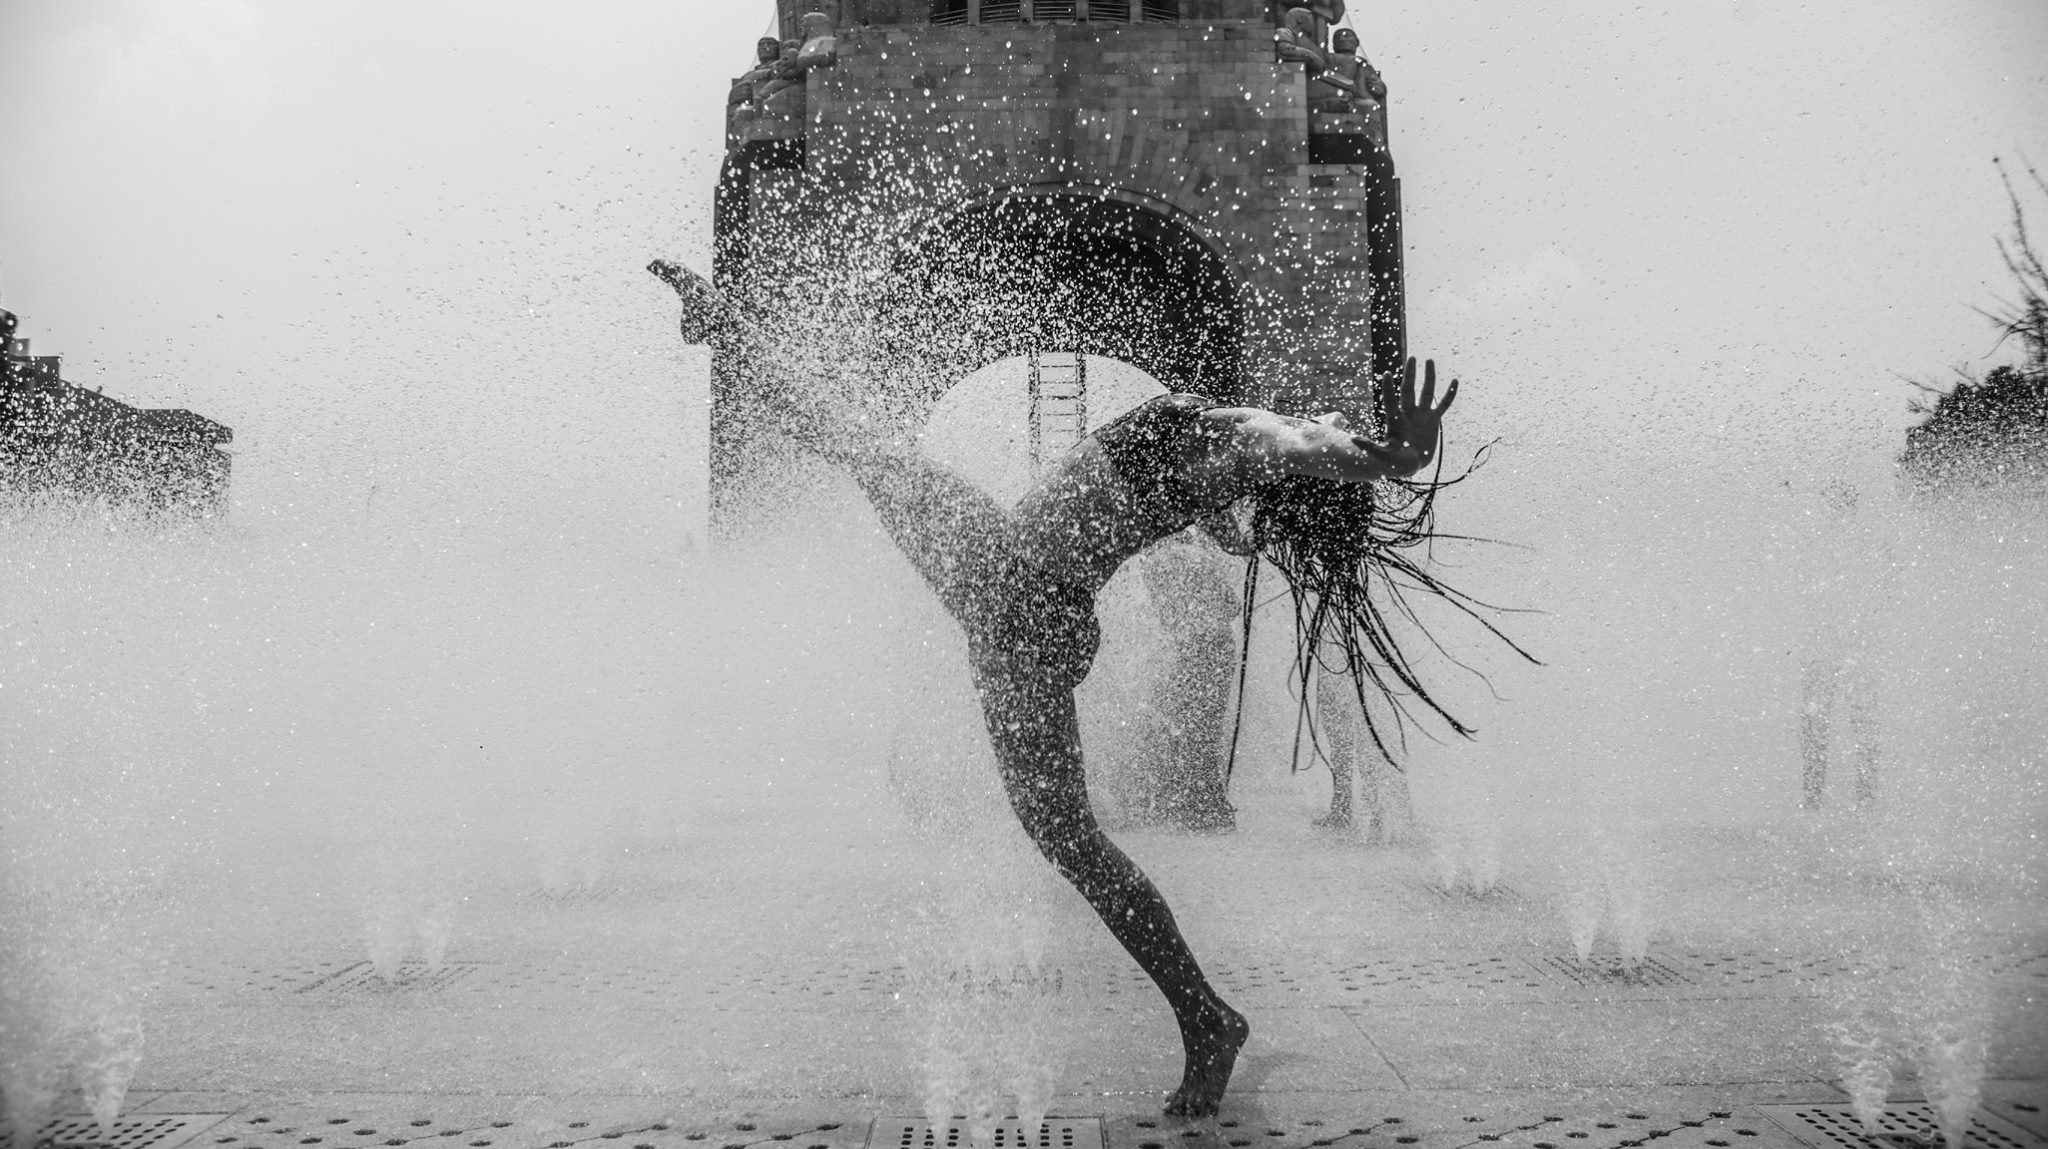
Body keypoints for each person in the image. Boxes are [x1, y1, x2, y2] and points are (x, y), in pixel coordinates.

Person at [659, 265, 1466, 1116]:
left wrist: (1386, 457)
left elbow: (1310, 450)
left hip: (1020, 604)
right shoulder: (1228, 456)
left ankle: (1207, 1017)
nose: (1338, 416)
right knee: (866, 450)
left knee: (1071, 837)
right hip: (1009, 574)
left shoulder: (1257, 442)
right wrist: (1338, 469)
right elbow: (1233, 514)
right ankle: (730, 330)